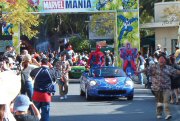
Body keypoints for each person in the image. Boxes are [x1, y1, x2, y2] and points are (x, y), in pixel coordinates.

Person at [136, 54, 180, 120]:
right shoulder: (153, 67)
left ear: (165, 60)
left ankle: (168, 114)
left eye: (163, 59)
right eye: (160, 59)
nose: (161, 60)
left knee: (166, 101)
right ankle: (159, 113)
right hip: (157, 88)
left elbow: (176, 71)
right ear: (158, 60)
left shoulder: (168, 68)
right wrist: (139, 71)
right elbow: (146, 69)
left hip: (166, 88)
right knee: (159, 102)